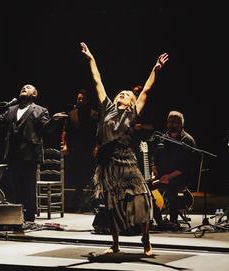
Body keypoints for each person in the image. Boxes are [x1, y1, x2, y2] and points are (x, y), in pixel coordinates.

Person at [80, 41, 169, 255]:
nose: (121, 94)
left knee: (143, 197)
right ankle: (115, 244)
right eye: (120, 92)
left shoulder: (133, 112)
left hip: (127, 160)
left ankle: (146, 240)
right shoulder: (107, 107)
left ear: (131, 101)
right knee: (112, 204)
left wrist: (155, 69)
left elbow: (147, 89)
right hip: (108, 162)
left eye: (126, 94)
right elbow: (97, 80)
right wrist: (91, 58)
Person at [0, 84, 67, 222]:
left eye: (28, 87)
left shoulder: (40, 110)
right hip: (13, 154)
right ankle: (17, 215)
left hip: (30, 154)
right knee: (16, 185)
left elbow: (46, 129)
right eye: (23, 87)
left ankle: (29, 217)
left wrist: (54, 120)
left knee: (28, 185)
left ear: (34, 95)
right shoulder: (12, 110)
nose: (24, 88)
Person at [151, 111, 196, 230]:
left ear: (181, 124)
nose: (172, 124)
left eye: (175, 122)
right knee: (144, 189)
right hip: (161, 176)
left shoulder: (187, 140)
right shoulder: (162, 138)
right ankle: (159, 221)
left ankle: (173, 221)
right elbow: (155, 157)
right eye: (170, 121)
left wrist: (169, 177)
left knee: (172, 188)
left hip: (179, 177)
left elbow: (186, 166)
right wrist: (154, 168)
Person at [61, 89, 98, 212]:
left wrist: (97, 147)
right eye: (78, 99)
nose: (80, 100)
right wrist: (65, 145)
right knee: (77, 175)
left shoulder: (94, 114)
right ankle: (77, 202)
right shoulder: (72, 114)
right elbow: (65, 130)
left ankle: (89, 202)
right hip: (75, 149)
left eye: (82, 99)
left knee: (89, 175)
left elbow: (99, 132)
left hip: (89, 148)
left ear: (87, 100)